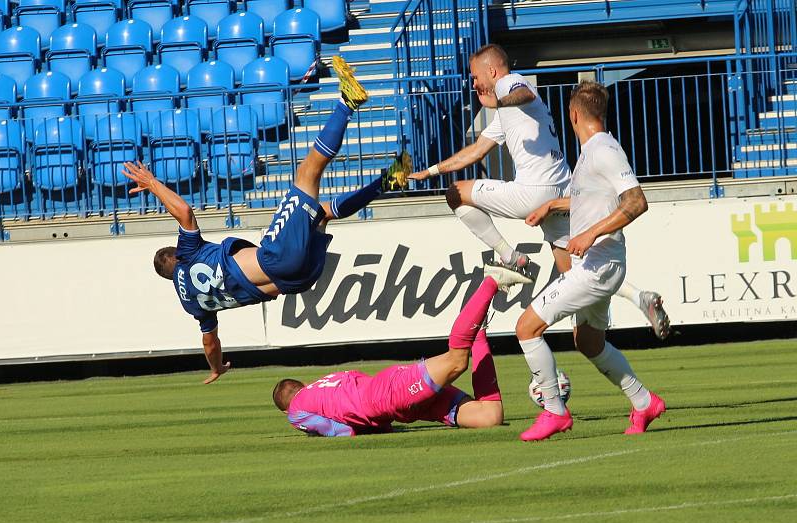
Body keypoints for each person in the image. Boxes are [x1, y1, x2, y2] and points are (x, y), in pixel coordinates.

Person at [122, 56, 390, 384]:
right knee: (307, 174)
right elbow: (184, 213)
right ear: (175, 258)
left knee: (321, 214)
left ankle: (387, 182)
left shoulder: (191, 302)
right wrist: (152, 184)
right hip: (276, 259)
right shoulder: (188, 255)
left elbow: (210, 341)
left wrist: (216, 367)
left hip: (299, 282)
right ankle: (347, 103)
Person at [408, 44, 669, 340]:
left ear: (492, 71)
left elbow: (524, 92)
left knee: (455, 193)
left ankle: (509, 256)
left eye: (476, 76)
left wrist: (496, 101)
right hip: (560, 191)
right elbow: (476, 152)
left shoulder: (508, 84)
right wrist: (430, 172)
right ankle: (640, 297)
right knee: (575, 273)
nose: (475, 83)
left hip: (533, 191)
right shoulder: (510, 114)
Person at [516, 81, 666, 441]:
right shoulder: (591, 152)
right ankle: (644, 402)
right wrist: (552, 205)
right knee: (588, 342)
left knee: (527, 328)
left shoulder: (603, 151)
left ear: (573, 114)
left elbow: (635, 202)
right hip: (600, 267)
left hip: (598, 267)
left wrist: (589, 234)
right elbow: (593, 199)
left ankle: (554, 411)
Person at [273, 273, 514, 436]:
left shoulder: (295, 412)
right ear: (303, 383)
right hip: (395, 401)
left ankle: (491, 281)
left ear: (285, 410)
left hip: (390, 396)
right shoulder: (323, 384)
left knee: (456, 361)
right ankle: (478, 333)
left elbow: (341, 431)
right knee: (490, 417)